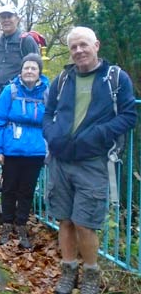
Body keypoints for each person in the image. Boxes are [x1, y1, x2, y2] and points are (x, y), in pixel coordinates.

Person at [43, 27, 137, 294]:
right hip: (60, 161)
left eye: (83, 45)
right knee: (64, 220)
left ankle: (91, 274)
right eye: (73, 47)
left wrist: (97, 135)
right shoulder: (62, 79)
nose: (78, 51)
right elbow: (48, 114)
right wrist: (52, 136)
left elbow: (129, 116)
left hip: (93, 162)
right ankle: (68, 270)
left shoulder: (115, 78)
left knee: (85, 222)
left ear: (96, 45)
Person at [0, 54, 49, 249]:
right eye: (26, 68)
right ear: (21, 71)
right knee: (9, 188)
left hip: (36, 152)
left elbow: (53, 122)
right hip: (12, 150)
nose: (30, 71)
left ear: (39, 71)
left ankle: (22, 224)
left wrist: (50, 148)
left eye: (33, 68)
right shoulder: (11, 90)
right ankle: (7, 224)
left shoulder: (47, 93)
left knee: (27, 190)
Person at [0, 5, 40, 100]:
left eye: (9, 16)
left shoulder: (26, 41)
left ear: (17, 19)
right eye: (3, 17)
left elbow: (37, 68)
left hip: (22, 96)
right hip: (0, 96)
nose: (6, 20)